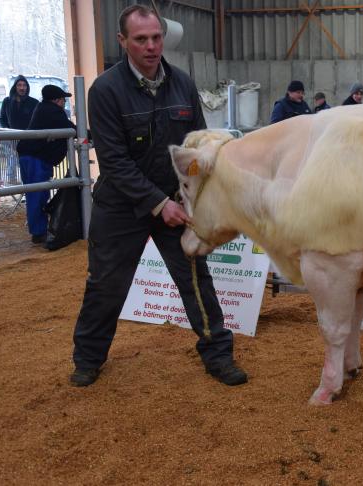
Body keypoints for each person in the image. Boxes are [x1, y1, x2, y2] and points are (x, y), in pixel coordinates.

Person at [69, 4, 247, 387]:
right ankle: (88, 359)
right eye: (140, 39)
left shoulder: (182, 83)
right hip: (120, 205)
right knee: (106, 284)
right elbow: (113, 160)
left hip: (174, 200)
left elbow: (194, 144)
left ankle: (218, 355)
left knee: (196, 277)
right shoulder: (105, 90)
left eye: (156, 38)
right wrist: (156, 203)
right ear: (123, 41)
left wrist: (192, 194)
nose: (151, 47)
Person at [15, 85, 77, 244]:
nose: (64, 102)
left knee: (35, 192)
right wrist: (91, 134)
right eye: (63, 99)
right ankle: (38, 232)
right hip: (36, 157)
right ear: (56, 100)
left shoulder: (42, 108)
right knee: (37, 194)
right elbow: (72, 129)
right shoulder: (53, 111)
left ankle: (39, 228)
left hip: (30, 155)